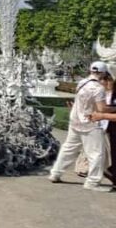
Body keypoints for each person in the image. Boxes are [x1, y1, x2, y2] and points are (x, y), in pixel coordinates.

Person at [48, 61, 116, 192]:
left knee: (68, 148)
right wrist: (114, 108)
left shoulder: (82, 83)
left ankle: (55, 173)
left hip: (75, 120)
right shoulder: (98, 88)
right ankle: (93, 182)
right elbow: (102, 109)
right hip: (89, 123)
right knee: (97, 154)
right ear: (103, 73)